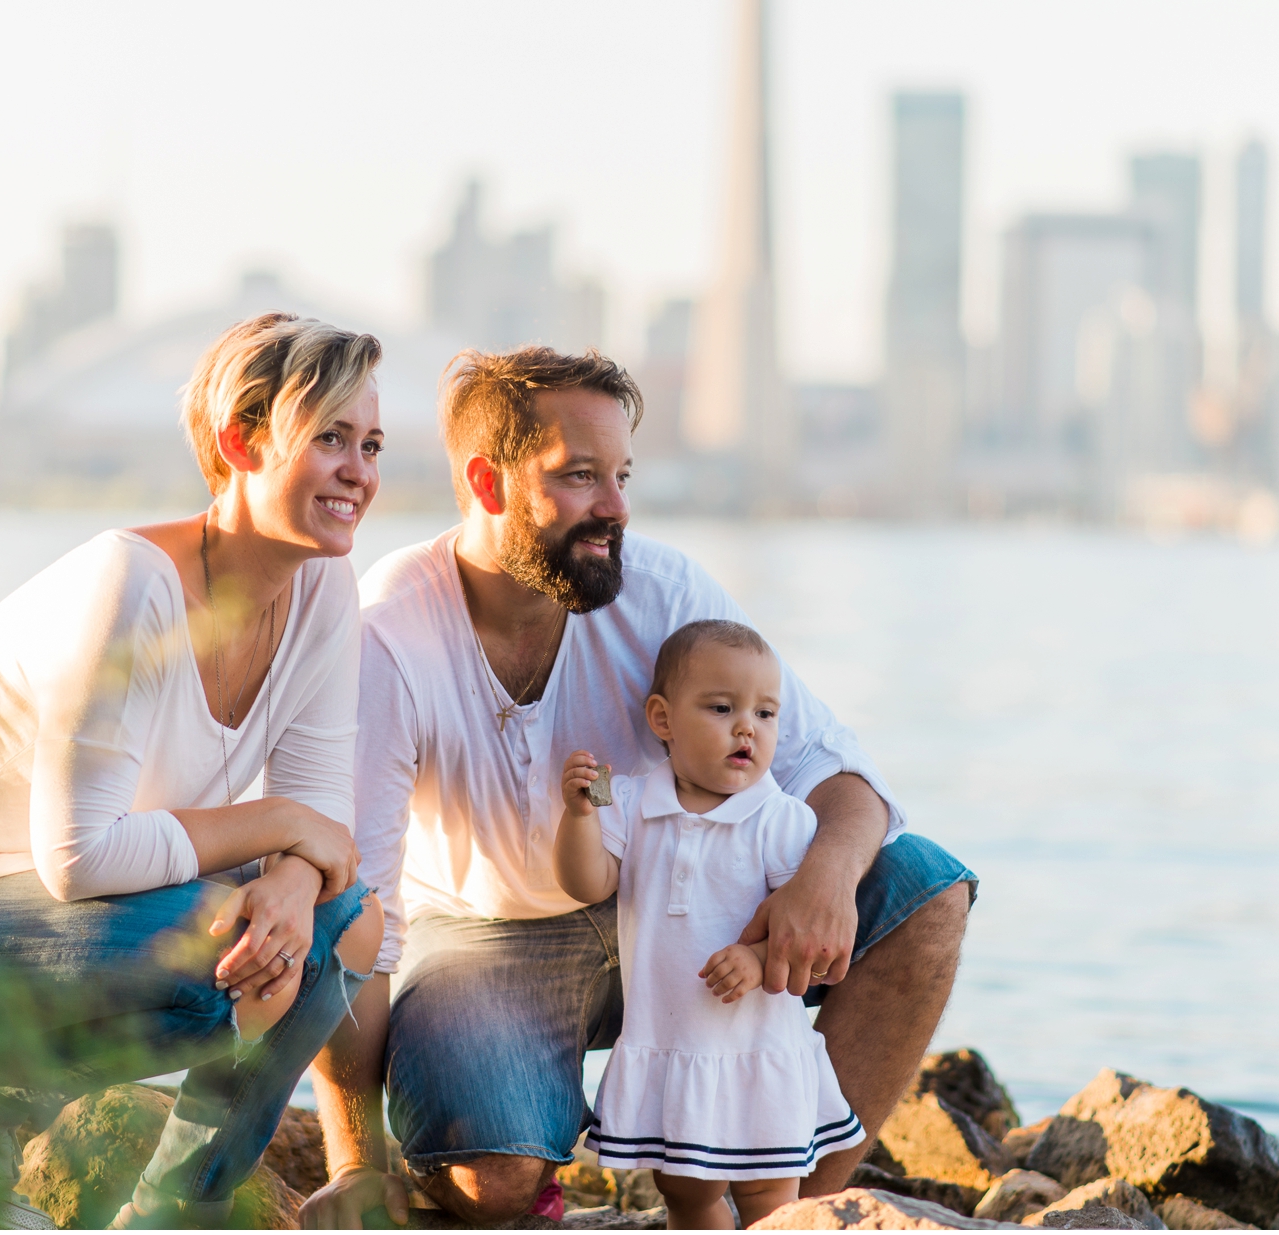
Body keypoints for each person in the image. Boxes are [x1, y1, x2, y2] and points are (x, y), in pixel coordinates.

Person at [299, 346, 977, 1229]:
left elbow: (841, 774)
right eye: (580, 476)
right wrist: (355, 1163)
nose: (615, 507)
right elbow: (354, 915)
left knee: (923, 891)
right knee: (488, 1184)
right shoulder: (390, 636)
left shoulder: (664, 590)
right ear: (487, 481)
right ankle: (538, 1144)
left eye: (621, 474)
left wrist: (822, 878)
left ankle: (793, 1207)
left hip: (701, 908)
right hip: (489, 939)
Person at [0, 313, 386, 1228]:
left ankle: (168, 1211)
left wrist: (290, 880)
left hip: (51, 926)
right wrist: (280, 831)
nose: (360, 470)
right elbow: (79, 856)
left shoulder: (322, 589)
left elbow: (321, 824)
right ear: (241, 440)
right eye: (330, 439)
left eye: (371, 443)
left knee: (342, 923)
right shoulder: (132, 582)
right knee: (226, 960)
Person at [555, 619, 866, 1231]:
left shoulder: (782, 821)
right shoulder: (638, 801)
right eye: (722, 708)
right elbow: (588, 883)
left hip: (756, 1050)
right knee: (686, 1194)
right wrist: (579, 817)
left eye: (767, 713)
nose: (747, 727)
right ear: (663, 720)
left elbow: (801, 931)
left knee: (770, 1198)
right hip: (674, 1043)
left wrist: (754, 960)